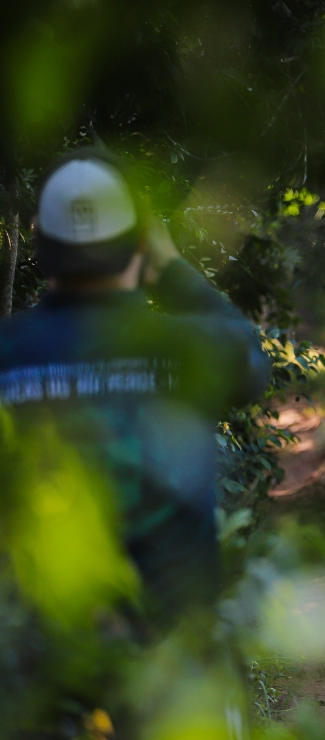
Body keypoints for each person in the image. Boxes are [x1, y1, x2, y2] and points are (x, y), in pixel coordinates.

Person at [0, 147, 272, 627]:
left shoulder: (8, 354)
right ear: (140, 241)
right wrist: (169, 270)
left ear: (39, 239)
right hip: (173, 661)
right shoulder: (187, 348)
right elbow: (251, 361)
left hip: (35, 662)